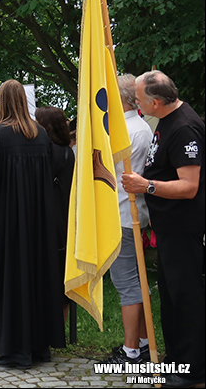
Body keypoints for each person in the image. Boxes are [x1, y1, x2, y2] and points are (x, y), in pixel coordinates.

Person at [0, 80, 65, 368]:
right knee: (35, 280)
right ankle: (38, 347)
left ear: (2, 102)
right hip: (38, 225)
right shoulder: (40, 135)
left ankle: (15, 350)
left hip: (9, 226)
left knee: (8, 282)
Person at [122, 70, 204, 387]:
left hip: (183, 228)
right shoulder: (168, 120)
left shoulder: (184, 127)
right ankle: (178, 361)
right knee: (171, 299)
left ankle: (193, 370)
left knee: (186, 299)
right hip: (169, 229)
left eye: (140, 100)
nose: (138, 105)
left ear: (157, 101)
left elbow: (189, 186)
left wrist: (147, 186)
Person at [95, 74, 153, 364]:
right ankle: (141, 342)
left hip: (123, 213)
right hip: (122, 211)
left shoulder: (131, 129)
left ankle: (132, 350)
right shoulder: (133, 127)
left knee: (127, 282)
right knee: (132, 280)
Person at [35, 105, 75, 324]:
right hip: (64, 219)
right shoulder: (69, 152)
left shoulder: (43, 153)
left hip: (44, 219)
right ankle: (59, 325)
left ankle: (43, 325)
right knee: (61, 276)